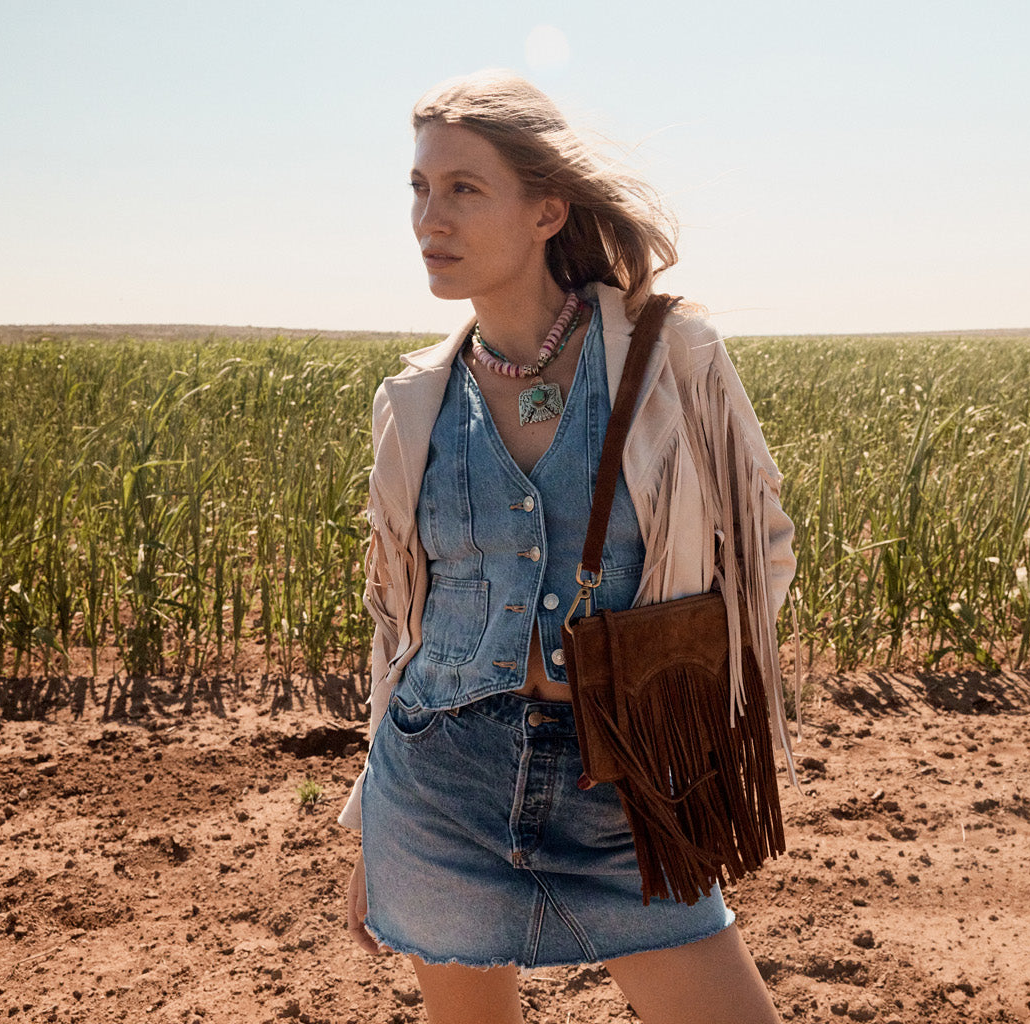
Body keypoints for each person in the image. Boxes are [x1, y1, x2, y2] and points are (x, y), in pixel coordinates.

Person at [340, 70, 796, 1024]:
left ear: (548, 209)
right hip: (438, 780)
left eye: (464, 188)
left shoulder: (673, 356)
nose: (431, 217)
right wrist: (367, 827)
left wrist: (687, 737)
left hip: (623, 785)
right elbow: (399, 619)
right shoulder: (411, 401)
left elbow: (762, 554)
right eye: (420, 189)